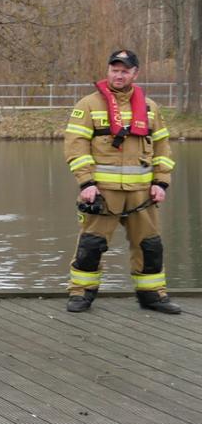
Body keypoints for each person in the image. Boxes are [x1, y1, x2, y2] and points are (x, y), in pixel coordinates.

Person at [63, 49, 179, 315]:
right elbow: (75, 147)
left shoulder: (150, 108)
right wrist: (86, 183)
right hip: (101, 193)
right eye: (114, 70)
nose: (118, 75)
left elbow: (163, 148)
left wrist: (161, 183)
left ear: (134, 74)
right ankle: (81, 293)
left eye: (124, 70)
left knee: (149, 246)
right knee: (91, 245)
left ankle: (152, 296)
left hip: (142, 194)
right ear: (108, 71)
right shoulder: (88, 105)